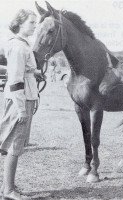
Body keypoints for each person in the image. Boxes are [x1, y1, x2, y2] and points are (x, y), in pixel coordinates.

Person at [0, 9, 41, 200]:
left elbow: (22, 72)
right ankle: (8, 191)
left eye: (35, 22)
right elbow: (15, 80)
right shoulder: (18, 47)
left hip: (26, 97)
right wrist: (21, 108)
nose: (35, 26)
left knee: (17, 144)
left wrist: (35, 73)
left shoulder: (22, 45)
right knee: (14, 145)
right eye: (32, 22)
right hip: (21, 99)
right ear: (20, 23)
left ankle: (9, 187)